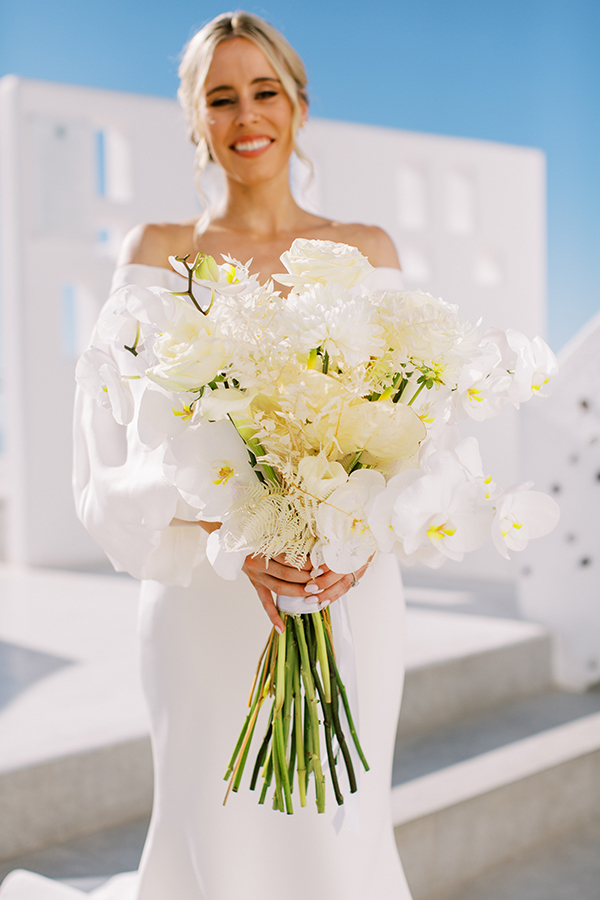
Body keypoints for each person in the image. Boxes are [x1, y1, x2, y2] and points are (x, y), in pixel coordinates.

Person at [0, 11, 413, 900]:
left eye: (264, 91)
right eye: (220, 98)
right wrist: (236, 536)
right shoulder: (160, 254)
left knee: (342, 843)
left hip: (346, 587)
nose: (246, 115)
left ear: (299, 105)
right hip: (204, 593)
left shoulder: (367, 252)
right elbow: (112, 442)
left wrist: (359, 536)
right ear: (194, 118)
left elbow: (413, 430)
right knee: (211, 837)